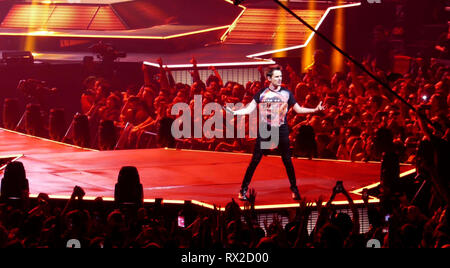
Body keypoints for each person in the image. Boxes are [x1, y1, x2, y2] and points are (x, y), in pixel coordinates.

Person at [226, 67, 325, 201]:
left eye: (280, 76)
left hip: (281, 128)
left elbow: (298, 109)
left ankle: (294, 189)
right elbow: (250, 108)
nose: (279, 79)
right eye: (276, 76)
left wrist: (314, 110)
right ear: (269, 79)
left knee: (287, 160)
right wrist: (236, 112)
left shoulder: (287, 93)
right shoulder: (262, 93)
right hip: (265, 129)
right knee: (255, 160)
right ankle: (243, 189)